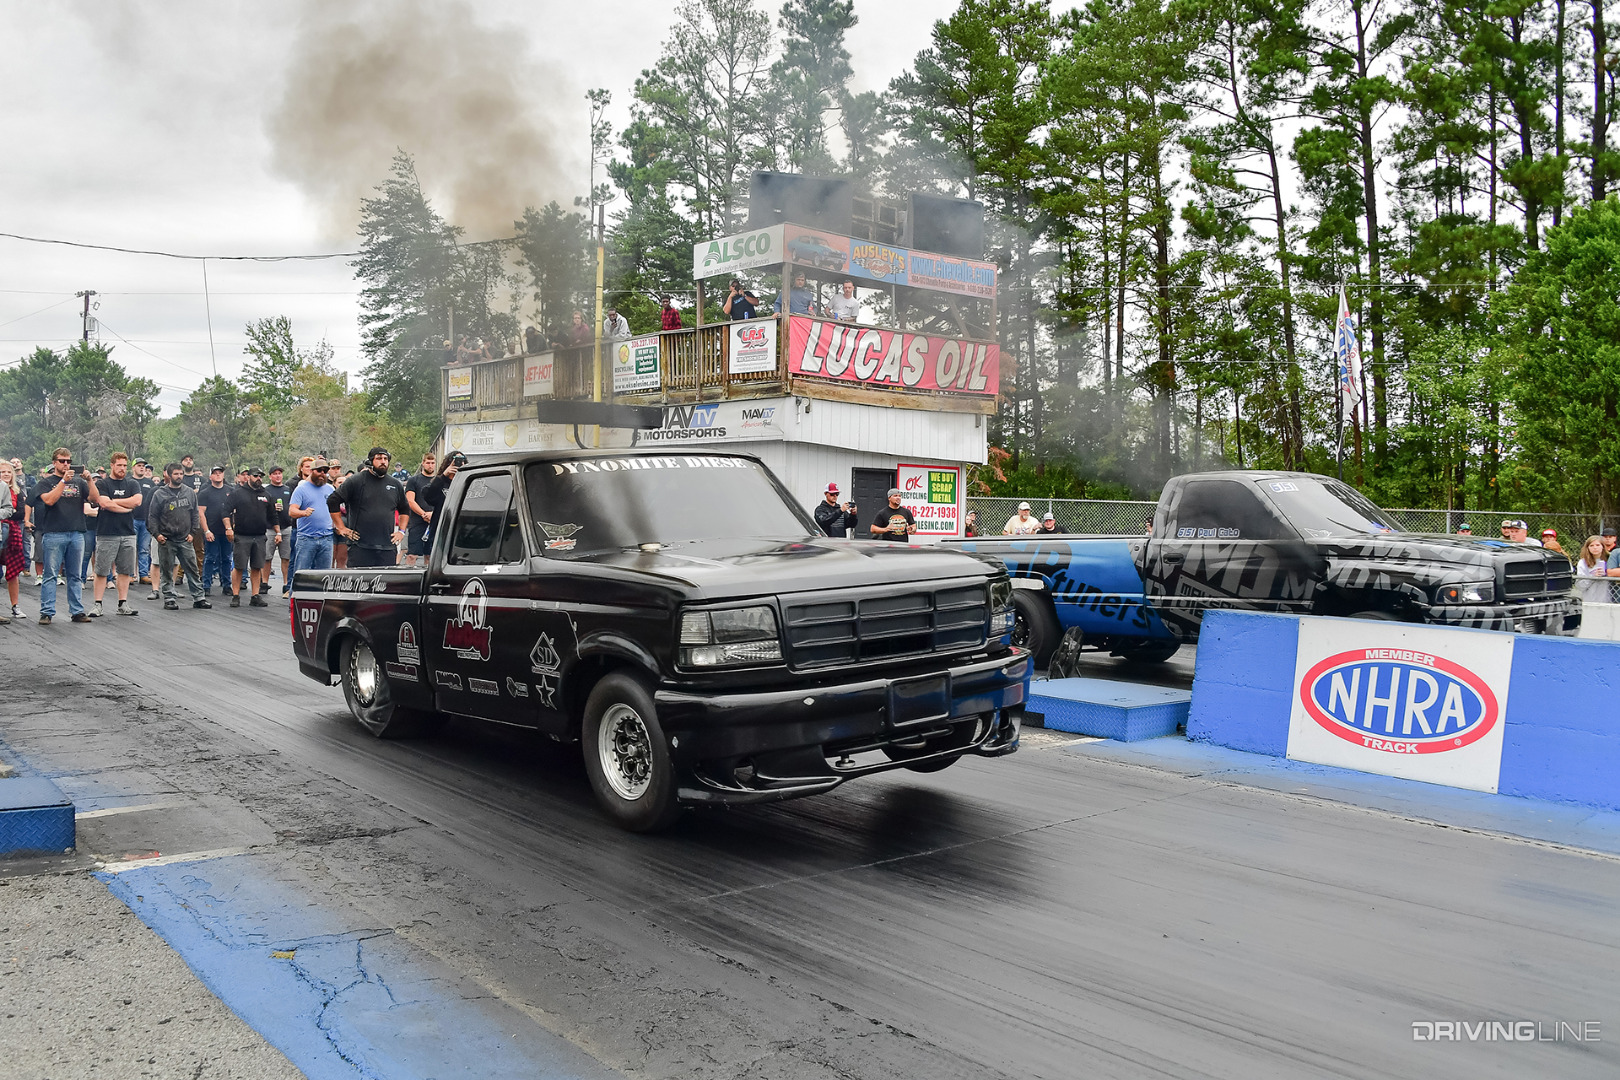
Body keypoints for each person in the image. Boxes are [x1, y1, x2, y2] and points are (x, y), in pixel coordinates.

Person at [32, 448, 93, 624]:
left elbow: (95, 499)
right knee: (50, 574)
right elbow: (49, 500)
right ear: (54, 463)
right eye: (62, 461)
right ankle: (47, 611)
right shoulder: (45, 482)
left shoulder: (79, 482)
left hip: (76, 532)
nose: (66, 464)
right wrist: (63, 482)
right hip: (53, 533)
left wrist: (89, 481)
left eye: (68, 461)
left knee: (75, 575)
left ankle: (77, 611)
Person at [328, 447, 407, 568]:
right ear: (370, 462)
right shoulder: (356, 481)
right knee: (359, 584)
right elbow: (332, 501)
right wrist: (341, 527)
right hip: (360, 547)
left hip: (387, 547)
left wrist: (401, 531)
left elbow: (405, 509)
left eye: (386, 459)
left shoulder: (395, 484)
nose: (383, 461)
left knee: (387, 585)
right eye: (379, 458)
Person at [90, 451, 143, 617]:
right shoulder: (103, 484)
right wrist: (125, 507)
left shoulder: (132, 484)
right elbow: (103, 503)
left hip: (128, 533)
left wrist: (113, 502)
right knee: (101, 570)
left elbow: (137, 501)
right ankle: (98, 604)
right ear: (111, 465)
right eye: (119, 465)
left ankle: (123, 603)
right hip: (106, 533)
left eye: (125, 466)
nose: (122, 468)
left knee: (125, 570)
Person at [147, 462, 207, 609]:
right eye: (176, 474)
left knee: (192, 569)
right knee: (166, 570)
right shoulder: (159, 494)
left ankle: (199, 598)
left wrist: (193, 532)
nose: (179, 476)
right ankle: (169, 598)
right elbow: (152, 516)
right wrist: (156, 534)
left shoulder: (189, 493)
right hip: (166, 539)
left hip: (185, 538)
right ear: (168, 475)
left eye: (181, 474)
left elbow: (195, 514)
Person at [223, 466, 272, 607]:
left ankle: (255, 595)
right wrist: (228, 528)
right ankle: (236, 595)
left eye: (260, 476)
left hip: (260, 536)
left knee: (257, 567)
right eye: (256, 476)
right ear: (248, 477)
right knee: (239, 567)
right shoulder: (237, 493)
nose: (258, 479)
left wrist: (278, 532)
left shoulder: (266, 494)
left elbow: (273, 516)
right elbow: (225, 512)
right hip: (242, 535)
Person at [289, 457, 337, 575]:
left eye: (325, 471)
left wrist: (337, 523)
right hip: (307, 538)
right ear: (311, 471)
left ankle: (319, 594)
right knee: (301, 573)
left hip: (327, 538)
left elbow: (335, 509)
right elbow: (292, 511)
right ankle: (295, 593)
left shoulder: (330, 489)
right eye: (319, 470)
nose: (322, 474)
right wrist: (303, 513)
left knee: (324, 575)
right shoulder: (301, 489)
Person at [198, 466, 234, 592]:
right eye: (215, 473)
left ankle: (227, 585)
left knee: (226, 558)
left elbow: (235, 511)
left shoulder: (231, 491)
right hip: (212, 531)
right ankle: (206, 585)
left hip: (226, 531)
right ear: (210, 477)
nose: (218, 475)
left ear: (223, 475)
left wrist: (232, 528)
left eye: (220, 473)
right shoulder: (205, 493)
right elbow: (201, 513)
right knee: (210, 558)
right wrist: (206, 530)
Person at [262, 465, 294, 595]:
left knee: (286, 557)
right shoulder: (266, 490)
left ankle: (286, 584)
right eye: (274, 473)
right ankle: (264, 582)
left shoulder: (288, 490)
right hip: (270, 528)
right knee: (267, 557)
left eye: (279, 473)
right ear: (270, 476)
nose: (277, 475)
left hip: (286, 526)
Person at [404, 452, 437, 567]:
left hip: (434, 522)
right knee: (412, 555)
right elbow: (410, 500)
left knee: (430, 555)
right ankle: (407, 581)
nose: (430, 465)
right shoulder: (414, 480)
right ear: (423, 463)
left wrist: (433, 514)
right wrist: (424, 514)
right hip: (417, 522)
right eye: (428, 463)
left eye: (433, 463)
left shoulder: (438, 481)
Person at [0, 461, 24, 619]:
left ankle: (15, 606)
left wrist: (9, 513)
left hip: (13, 533)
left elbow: (20, 513)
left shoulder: (17, 491)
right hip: (3, 528)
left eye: (9, 472)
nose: (6, 474)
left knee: (13, 572)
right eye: (3, 472)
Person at [131, 459, 155, 587]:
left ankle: (144, 574)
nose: (142, 468)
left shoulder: (149, 483)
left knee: (144, 549)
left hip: (146, 520)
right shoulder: (129, 481)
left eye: (143, 466)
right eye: (139, 466)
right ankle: (129, 575)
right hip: (131, 519)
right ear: (133, 468)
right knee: (130, 548)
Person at [1575, 535, 1611, 603]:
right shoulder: (1583, 562)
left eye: (1597, 545)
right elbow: (1580, 586)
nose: (1595, 548)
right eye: (1591, 545)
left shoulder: (1610, 559)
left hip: (1608, 600)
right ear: (1587, 548)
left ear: (1603, 546)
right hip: (1589, 600)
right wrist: (1593, 577)